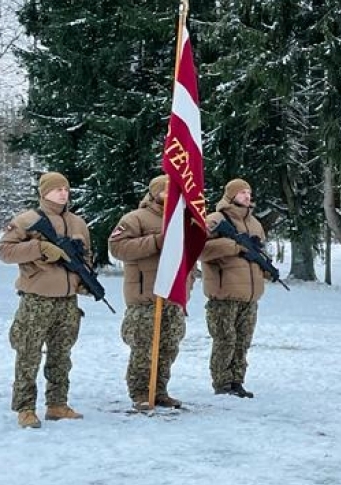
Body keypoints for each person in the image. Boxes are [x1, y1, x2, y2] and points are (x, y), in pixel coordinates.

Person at [0, 172, 94, 428]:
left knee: (62, 355)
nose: (63, 193)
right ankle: (25, 408)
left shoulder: (78, 223)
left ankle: (57, 404)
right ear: (44, 192)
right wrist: (38, 249)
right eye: (57, 188)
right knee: (28, 354)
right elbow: (4, 251)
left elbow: (86, 257)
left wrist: (85, 282)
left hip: (67, 302)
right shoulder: (27, 220)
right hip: (37, 300)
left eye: (66, 188)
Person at [109, 175, 188, 410]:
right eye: (164, 190)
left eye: (173, 190)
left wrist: (187, 287)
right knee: (144, 346)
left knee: (168, 346)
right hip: (145, 296)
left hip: (172, 297)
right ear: (154, 193)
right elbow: (118, 247)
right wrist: (156, 241)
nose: (169, 194)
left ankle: (160, 389)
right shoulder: (135, 219)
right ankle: (141, 392)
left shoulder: (181, 220)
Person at [199, 178, 270, 397]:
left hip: (249, 296)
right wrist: (234, 246)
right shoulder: (215, 220)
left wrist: (266, 269)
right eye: (242, 193)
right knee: (225, 340)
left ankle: (237, 381)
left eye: (249, 192)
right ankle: (222, 383)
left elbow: (260, 253)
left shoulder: (255, 224)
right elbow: (200, 249)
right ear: (230, 196)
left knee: (242, 342)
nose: (247, 196)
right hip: (224, 294)